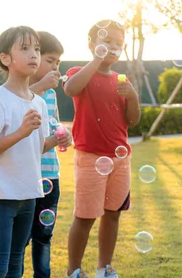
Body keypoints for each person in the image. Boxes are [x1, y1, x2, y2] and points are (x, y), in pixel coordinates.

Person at [0, 26, 71, 278]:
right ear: (5, 58)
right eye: (25, 48)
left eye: (37, 49)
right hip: (2, 197)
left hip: (29, 195)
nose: (34, 55)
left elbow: (37, 147)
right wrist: (20, 131)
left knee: (16, 267)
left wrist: (59, 138)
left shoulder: (39, 102)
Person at [63, 20, 141, 278]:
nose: (113, 47)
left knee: (113, 214)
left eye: (118, 44)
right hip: (90, 157)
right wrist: (96, 60)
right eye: (107, 42)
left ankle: (104, 268)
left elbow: (133, 120)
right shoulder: (79, 72)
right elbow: (70, 88)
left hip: (120, 158)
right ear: (91, 45)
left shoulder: (122, 80)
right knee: (85, 217)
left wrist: (132, 96)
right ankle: (73, 270)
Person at [24, 31, 68, 278]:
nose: (55, 67)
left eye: (58, 62)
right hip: (27, 177)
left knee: (44, 236)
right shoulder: (20, 92)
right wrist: (39, 87)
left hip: (51, 175)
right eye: (50, 60)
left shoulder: (51, 94)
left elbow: (54, 125)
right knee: (22, 238)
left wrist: (64, 135)